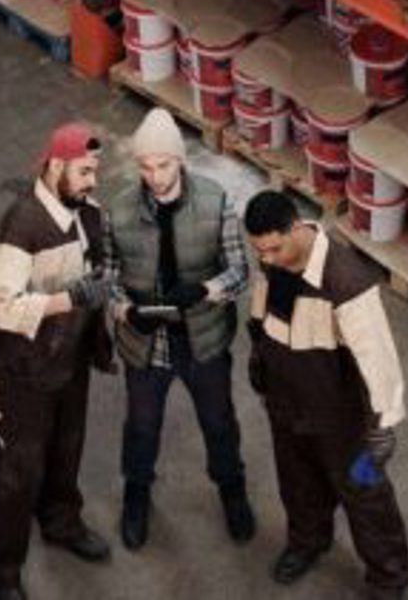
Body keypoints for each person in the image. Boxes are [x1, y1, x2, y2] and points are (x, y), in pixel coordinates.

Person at [242, 191, 408, 600]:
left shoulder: (344, 280)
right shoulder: (273, 262)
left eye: (273, 248)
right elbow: (262, 314)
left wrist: (382, 425)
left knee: (366, 497)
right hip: (286, 404)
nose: (265, 258)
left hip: (343, 421)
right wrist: (259, 361)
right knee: (297, 483)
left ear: (295, 228)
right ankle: (308, 542)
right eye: (259, 250)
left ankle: (390, 577)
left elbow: (378, 357)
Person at [101, 107, 254, 550]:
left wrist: (205, 290)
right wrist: (123, 309)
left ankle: (232, 489)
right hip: (146, 344)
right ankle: (137, 492)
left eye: (163, 164)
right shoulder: (120, 211)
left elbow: (241, 271)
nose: (154, 176)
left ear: (180, 160)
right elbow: (107, 274)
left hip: (203, 339)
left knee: (219, 422)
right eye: (145, 167)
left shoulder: (215, 201)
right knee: (141, 426)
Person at [0, 122, 114, 600]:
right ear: (55, 166)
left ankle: (60, 522)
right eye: (83, 171)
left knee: (67, 447)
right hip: (26, 372)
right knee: (19, 472)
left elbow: (99, 277)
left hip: (70, 358)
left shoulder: (89, 214)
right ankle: (3, 571)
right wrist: (68, 300)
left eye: (94, 171)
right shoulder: (22, 225)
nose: (91, 181)